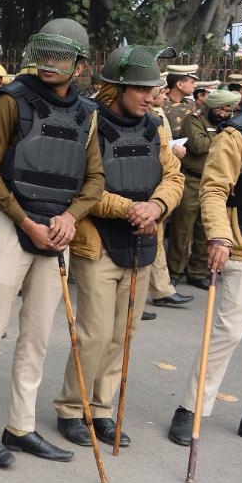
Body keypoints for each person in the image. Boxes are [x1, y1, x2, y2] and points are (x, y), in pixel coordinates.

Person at [0, 18, 104, 469]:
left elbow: (95, 178)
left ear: (79, 66)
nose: (50, 63)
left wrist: (69, 217)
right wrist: (25, 220)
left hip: (56, 232)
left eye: (61, 56)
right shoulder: (11, 100)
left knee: (38, 337)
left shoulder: (87, 113)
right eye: (46, 52)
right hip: (10, 224)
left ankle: (20, 426)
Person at [52, 46, 184, 448]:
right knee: (93, 333)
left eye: (152, 89)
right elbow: (83, 184)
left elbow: (173, 176)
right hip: (99, 244)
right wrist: (131, 208)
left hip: (143, 243)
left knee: (122, 335)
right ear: (117, 87)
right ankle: (72, 410)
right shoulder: (88, 121)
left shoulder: (155, 125)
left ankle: (102, 408)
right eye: (140, 89)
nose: (150, 96)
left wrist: (157, 205)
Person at [167, 87, 242, 446]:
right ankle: (191, 408)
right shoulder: (238, 132)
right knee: (228, 332)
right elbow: (215, 189)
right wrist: (220, 235)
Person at [168, 90, 237, 290]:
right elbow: (198, 145)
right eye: (222, 109)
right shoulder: (194, 120)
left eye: (229, 111)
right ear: (212, 107)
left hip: (212, 184)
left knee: (204, 231)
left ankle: (197, 272)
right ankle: (174, 272)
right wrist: (224, 137)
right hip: (191, 181)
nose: (225, 114)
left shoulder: (224, 125)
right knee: (182, 230)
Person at [145, 83, 193, 314]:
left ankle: (161, 290)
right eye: (159, 91)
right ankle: (150, 292)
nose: (162, 95)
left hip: (159, 184)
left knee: (155, 239)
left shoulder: (156, 113)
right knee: (146, 240)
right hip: (142, 186)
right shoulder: (142, 114)